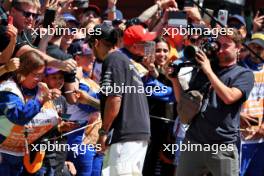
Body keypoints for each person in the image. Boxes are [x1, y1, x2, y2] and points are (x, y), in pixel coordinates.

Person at [167, 31, 255, 176]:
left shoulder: (243, 74)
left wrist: (208, 71)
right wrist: (174, 80)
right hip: (194, 142)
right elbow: (185, 102)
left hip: (222, 146)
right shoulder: (203, 68)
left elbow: (229, 97)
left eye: (226, 46)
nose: (220, 50)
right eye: (218, 45)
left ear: (238, 47)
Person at [88, 22, 150, 175]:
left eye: (90, 45)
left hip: (126, 134)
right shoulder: (126, 62)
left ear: (96, 43)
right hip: (137, 134)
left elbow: (115, 99)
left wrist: (103, 132)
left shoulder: (113, 60)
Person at [0, 50, 59, 176]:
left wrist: (60, 124)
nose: (39, 79)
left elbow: (49, 116)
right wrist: (41, 100)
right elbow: (19, 117)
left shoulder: (41, 88)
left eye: (41, 75)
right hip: (3, 154)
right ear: (22, 71)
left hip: (21, 153)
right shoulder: (8, 89)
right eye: (35, 75)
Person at [67, 41, 103, 176]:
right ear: (77, 58)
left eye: (93, 55)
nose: (93, 58)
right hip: (81, 140)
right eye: (89, 56)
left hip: (97, 140)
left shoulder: (91, 81)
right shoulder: (75, 82)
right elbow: (88, 106)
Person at [239, 32, 264, 176]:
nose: (255, 51)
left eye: (259, 48)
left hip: (261, 137)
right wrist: (238, 118)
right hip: (242, 136)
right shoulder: (239, 68)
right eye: (252, 46)